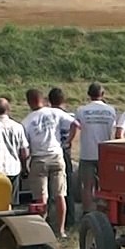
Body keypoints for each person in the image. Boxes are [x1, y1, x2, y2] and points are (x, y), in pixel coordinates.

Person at [21, 88, 76, 237]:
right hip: (57, 156)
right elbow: (75, 123)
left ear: (29, 102)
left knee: (41, 198)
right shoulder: (54, 113)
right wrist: (68, 141)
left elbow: (24, 149)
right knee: (60, 195)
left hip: (39, 159)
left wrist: (24, 165)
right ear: (43, 99)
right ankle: (61, 230)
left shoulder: (26, 121)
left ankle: (42, 231)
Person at [74, 82, 117, 211]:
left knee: (87, 186)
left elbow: (77, 127)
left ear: (89, 95)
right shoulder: (111, 110)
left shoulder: (81, 110)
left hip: (87, 153)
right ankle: (102, 211)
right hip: (105, 153)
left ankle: (87, 212)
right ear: (103, 94)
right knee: (105, 186)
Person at [48, 88, 79, 231]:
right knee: (67, 187)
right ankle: (70, 218)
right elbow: (76, 124)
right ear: (64, 101)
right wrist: (69, 140)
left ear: (49, 101)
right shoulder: (68, 115)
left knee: (51, 187)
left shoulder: (47, 115)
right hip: (64, 150)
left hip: (52, 151)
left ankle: (51, 216)